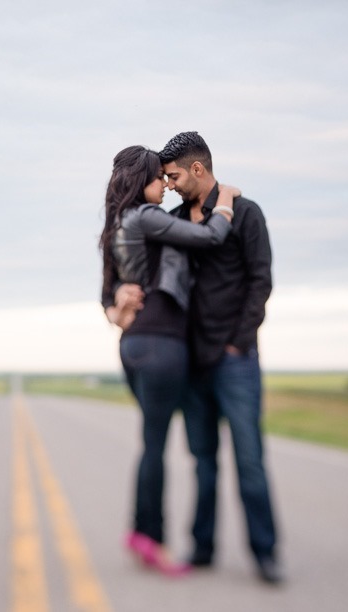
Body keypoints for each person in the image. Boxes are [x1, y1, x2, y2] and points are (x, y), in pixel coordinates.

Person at [118, 131, 281, 584]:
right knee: (202, 461)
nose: (167, 184)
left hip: (235, 359)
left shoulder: (245, 214)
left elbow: (260, 281)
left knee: (249, 459)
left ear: (197, 169)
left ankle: (265, 553)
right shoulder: (170, 220)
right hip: (189, 361)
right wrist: (119, 299)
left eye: (172, 176)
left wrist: (237, 341)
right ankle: (203, 548)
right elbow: (136, 269)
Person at [99, 145, 239, 578]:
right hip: (161, 342)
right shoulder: (145, 215)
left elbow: (108, 292)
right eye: (159, 178)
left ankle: (142, 532)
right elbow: (212, 237)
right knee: (155, 446)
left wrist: (115, 308)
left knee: (151, 443)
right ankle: (150, 539)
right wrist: (228, 200)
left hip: (135, 344)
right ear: (141, 180)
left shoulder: (118, 225)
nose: (165, 184)